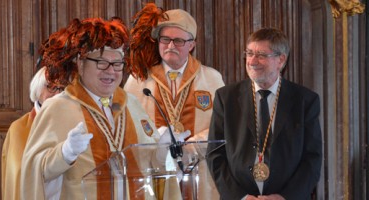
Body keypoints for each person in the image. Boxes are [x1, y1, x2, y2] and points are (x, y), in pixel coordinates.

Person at [20, 17, 160, 200]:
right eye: (101, 62)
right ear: (81, 63)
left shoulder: (132, 104)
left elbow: (150, 163)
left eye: (117, 64)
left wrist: (163, 150)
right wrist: (65, 153)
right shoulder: (57, 108)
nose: (110, 71)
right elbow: (35, 171)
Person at [206, 27, 322, 200]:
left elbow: (312, 159)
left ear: (281, 60)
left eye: (261, 55)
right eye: (249, 53)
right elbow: (215, 154)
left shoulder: (305, 100)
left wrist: (285, 197)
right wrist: (242, 197)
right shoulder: (226, 97)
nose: (252, 61)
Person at [124, 3, 225, 199]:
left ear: (192, 44)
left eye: (178, 40)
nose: (170, 46)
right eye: (165, 39)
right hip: (154, 173)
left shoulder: (211, 79)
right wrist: (159, 143)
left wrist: (190, 147)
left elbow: (222, 125)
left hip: (199, 172)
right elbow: (127, 126)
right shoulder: (137, 81)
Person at [1, 66, 65, 200]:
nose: (58, 94)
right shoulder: (18, 128)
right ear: (38, 89)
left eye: (63, 88)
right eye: (51, 87)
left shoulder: (74, 122)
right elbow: (17, 174)